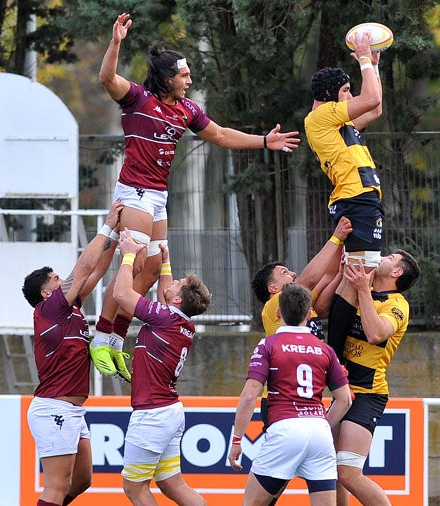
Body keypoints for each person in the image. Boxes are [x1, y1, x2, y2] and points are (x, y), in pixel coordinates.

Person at [91, 12, 301, 382]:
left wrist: (265, 141)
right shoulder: (137, 98)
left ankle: (117, 340)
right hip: (135, 191)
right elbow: (106, 78)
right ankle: (101, 337)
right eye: (184, 74)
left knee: (153, 268)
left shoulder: (187, 109)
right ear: (166, 78)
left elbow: (219, 135)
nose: (189, 80)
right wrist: (116, 42)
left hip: (157, 196)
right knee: (133, 261)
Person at [225, 217, 354, 506]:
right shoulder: (273, 311)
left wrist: (344, 261)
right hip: (293, 411)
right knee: (281, 493)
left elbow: (322, 289)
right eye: (283, 273)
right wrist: (335, 237)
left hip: (301, 416)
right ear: (272, 291)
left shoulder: (302, 315)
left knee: (267, 492)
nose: (292, 274)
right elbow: (311, 281)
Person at [111, 229, 235, 506]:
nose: (174, 280)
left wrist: (128, 253)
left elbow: (122, 294)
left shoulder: (165, 317)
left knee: (134, 487)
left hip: (152, 414)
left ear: (177, 300)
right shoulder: (178, 320)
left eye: (178, 282)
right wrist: (165, 261)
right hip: (169, 411)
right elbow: (169, 295)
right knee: (170, 482)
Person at [18, 202, 123, 506]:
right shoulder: (48, 311)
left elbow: (94, 269)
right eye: (55, 279)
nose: (62, 280)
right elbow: (82, 267)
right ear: (47, 294)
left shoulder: (71, 307)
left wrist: (120, 243)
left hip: (71, 411)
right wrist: (108, 226)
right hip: (53, 408)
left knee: (83, 480)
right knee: (57, 485)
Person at [312, 250, 423, 506]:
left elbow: (375, 334)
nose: (383, 257)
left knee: (348, 472)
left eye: (389, 257)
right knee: (332, 471)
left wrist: (362, 288)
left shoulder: (397, 304)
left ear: (398, 272)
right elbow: (323, 309)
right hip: (344, 392)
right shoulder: (364, 290)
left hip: (367, 393)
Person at [304, 31, 384, 270]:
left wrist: (374, 67)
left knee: (359, 270)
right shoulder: (322, 115)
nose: (351, 96)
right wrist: (363, 61)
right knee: (362, 271)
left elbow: (375, 108)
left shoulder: (335, 121)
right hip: (356, 198)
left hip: (360, 198)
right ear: (329, 95)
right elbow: (370, 99)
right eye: (346, 90)